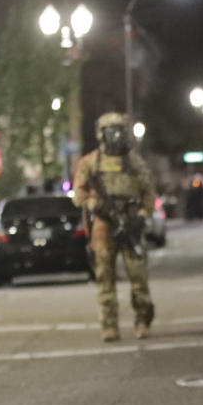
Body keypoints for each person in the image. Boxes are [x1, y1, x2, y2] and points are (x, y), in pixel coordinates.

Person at [72, 112, 156, 342]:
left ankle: (142, 320)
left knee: (138, 275)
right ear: (101, 134)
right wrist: (93, 204)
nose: (116, 135)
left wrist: (141, 215)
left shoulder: (134, 162)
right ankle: (109, 325)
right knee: (104, 274)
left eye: (119, 130)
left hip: (131, 222)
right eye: (111, 131)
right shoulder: (90, 163)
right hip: (103, 224)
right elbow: (78, 192)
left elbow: (148, 191)